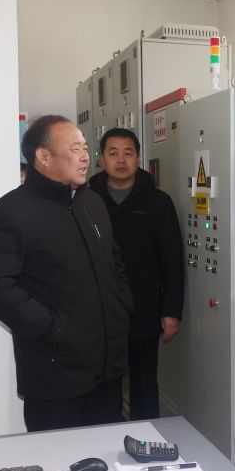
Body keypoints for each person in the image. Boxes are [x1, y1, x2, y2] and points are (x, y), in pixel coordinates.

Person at [0, 115, 133, 432]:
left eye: (86, 148)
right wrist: (53, 328)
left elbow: (113, 261)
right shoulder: (9, 213)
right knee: (57, 459)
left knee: (105, 453)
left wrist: (122, 307)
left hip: (107, 371)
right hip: (55, 377)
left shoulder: (92, 202)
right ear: (43, 156)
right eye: (75, 149)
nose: (85, 157)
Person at [88, 128, 184, 420]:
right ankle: (107, 440)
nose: (121, 160)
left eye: (128, 153)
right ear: (101, 159)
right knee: (103, 387)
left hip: (144, 310)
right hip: (99, 312)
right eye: (113, 153)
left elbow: (172, 259)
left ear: (138, 158)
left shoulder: (158, 202)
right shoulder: (86, 200)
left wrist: (171, 311)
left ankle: (146, 439)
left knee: (144, 385)